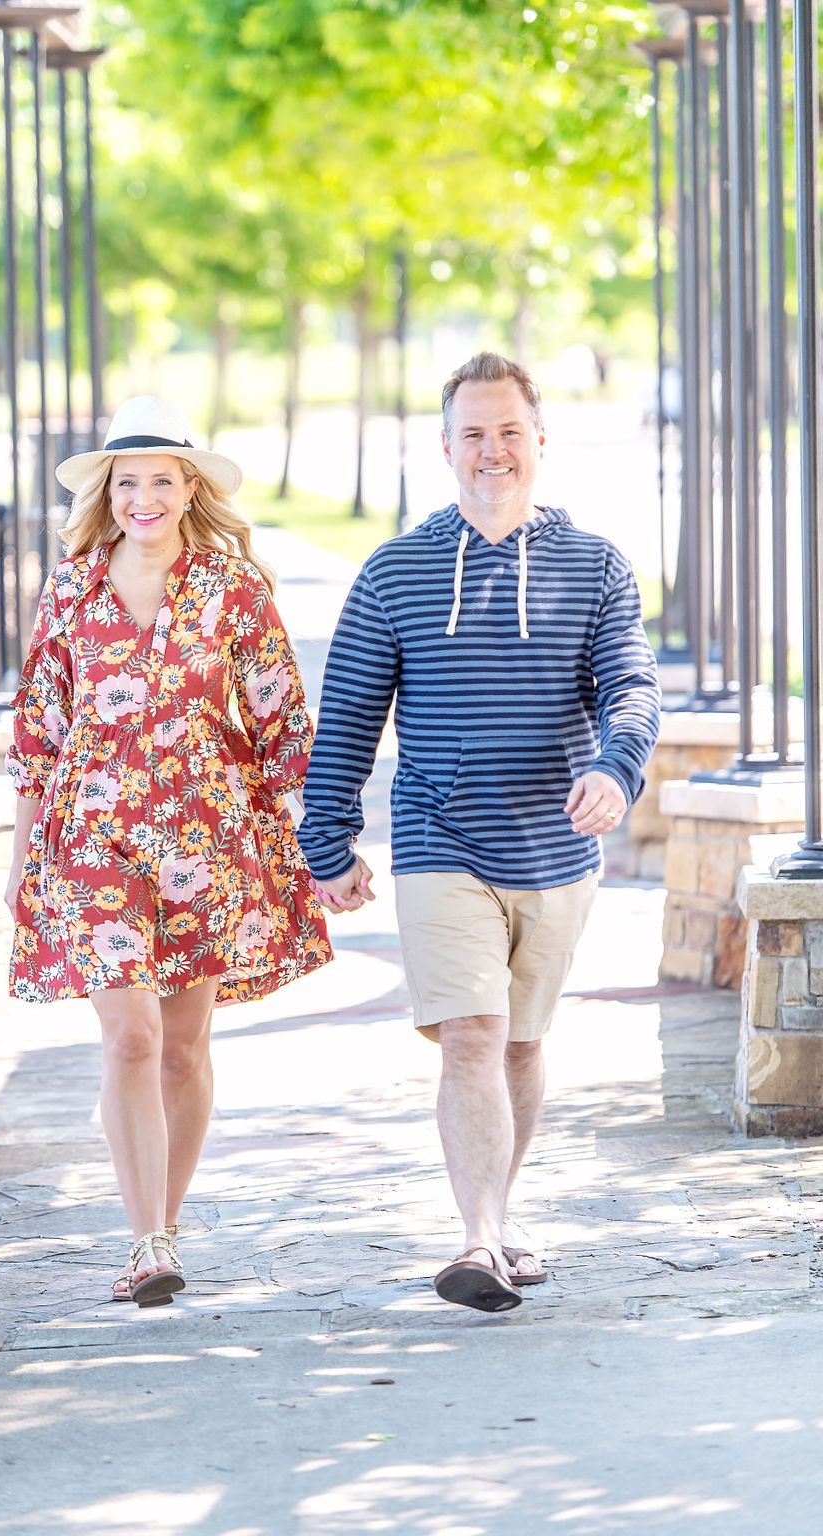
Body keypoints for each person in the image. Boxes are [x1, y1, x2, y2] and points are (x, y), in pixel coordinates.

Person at [297, 351, 660, 1313]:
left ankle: (503, 1215)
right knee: (473, 1031)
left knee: (522, 1045)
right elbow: (348, 718)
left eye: (509, 431)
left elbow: (631, 687)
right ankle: (478, 1240)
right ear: (446, 446)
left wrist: (614, 769)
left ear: (539, 441)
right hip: (437, 835)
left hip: (555, 845)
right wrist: (327, 840)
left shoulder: (596, 566)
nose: (491, 450)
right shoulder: (397, 573)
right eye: (473, 433)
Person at [4, 395, 331, 1308]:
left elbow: (280, 723)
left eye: (160, 479)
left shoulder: (232, 586)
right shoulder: (70, 586)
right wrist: (20, 860)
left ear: (190, 488)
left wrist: (320, 839)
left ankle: (168, 1228)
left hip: (207, 836)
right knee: (132, 1037)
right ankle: (145, 1242)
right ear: (106, 493)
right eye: (127, 481)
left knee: (183, 1049)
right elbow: (39, 729)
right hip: (93, 837)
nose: (142, 496)